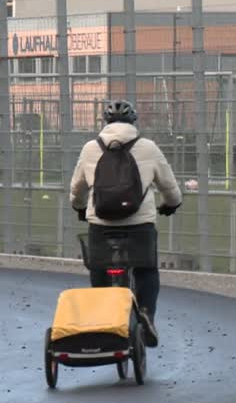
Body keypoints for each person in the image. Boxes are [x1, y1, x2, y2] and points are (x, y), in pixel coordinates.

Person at [69, 99, 182, 347]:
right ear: (133, 122)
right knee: (146, 270)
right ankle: (146, 313)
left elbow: (77, 187)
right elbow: (169, 188)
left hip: (101, 224)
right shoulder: (148, 148)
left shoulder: (90, 148)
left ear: (106, 123)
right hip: (139, 224)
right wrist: (171, 204)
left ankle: (102, 320)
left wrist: (78, 206)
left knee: (99, 269)